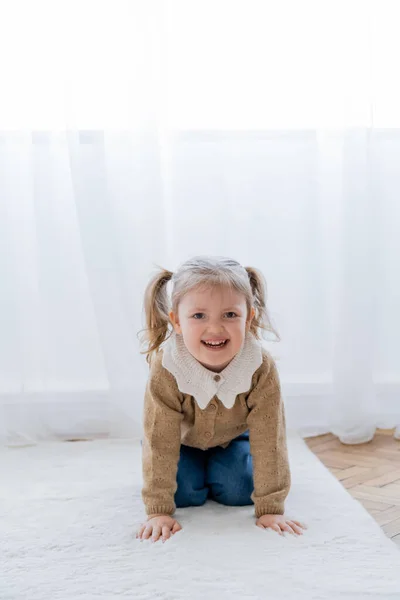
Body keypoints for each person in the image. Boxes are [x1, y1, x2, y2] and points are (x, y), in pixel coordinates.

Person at [136, 256, 306, 543]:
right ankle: (197, 471)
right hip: (179, 441)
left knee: (239, 491)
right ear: (177, 321)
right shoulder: (167, 367)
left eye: (229, 315)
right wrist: (158, 510)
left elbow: (270, 436)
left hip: (233, 438)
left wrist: (271, 507)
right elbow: (160, 440)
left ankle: (220, 465)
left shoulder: (259, 367)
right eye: (199, 316)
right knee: (185, 493)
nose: (215, 329)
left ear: (249, 317)